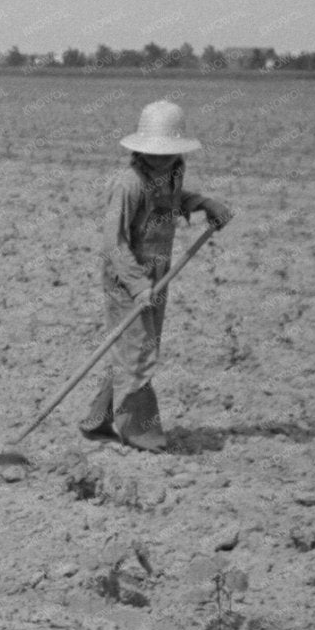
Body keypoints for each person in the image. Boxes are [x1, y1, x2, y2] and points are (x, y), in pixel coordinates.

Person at [81, 99, 232, 452]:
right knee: (138, 354)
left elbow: (171, 202)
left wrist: (203, 204)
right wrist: (136, 286)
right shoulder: (128, 185)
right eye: (157, 153)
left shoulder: (173, 173)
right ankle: (140, 433)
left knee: (133, 349)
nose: (163, 159)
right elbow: (113, 243)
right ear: (141, 149)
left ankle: (97, 419)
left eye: (169, 153)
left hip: (157, 275)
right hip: (126, 279)